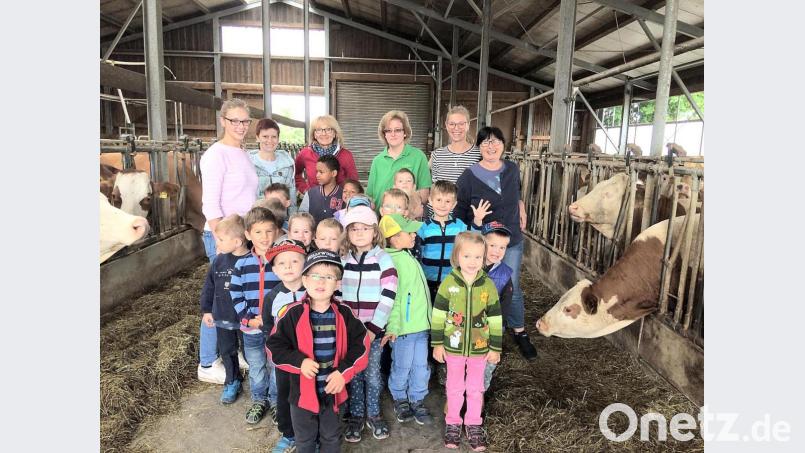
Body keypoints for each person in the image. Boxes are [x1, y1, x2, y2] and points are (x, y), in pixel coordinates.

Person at [266, 250, 370, 453]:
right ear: (304, 279)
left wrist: (343, 372)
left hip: (333, 392)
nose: (320, 281)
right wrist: (299, 362)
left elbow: (362, 345)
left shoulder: (345, 314)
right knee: (304, 440)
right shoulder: (291, 313)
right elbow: (274, 346)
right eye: (314, 275)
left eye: (328, 276)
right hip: (301, 394)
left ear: (337, 283)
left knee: (331, 437)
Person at [454, 126, 533, 365]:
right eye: (485, 142)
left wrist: (520, 205)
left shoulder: (511, 169)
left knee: (512, 285)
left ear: (503, 145)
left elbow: (515, 193)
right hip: (483, 243)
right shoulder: (468, 176)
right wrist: (474, 222)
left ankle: (519, 331)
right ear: (478, 147)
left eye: (496, 141)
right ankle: (480, 332)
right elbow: (459, 211)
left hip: (511, 241)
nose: (491, 146)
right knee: (480, 287)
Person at [198, 98, 259, 383]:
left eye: (245, 121)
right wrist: (224, 244)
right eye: (234, 120)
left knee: (240, 294)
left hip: (240, 239)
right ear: (222, 120)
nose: (240, 126)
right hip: (223, 238)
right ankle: (207, 363)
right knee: (220, 299)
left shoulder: (242, 152)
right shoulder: (216, 154)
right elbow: (210, 204)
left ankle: (233, 352)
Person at [431, 232, 502, 452]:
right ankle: (453, 422)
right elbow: (438, 315)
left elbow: (495, 317)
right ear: (457, 257)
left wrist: (495, 347)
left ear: (484, 258)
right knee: (454, 386)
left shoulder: (487, 285)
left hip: (480, 348)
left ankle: (473, 424)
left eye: (478, 257)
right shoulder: (448, 283)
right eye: (467, 256)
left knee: (475, 387)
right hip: (453, 347)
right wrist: (437, 343)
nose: (472, 262)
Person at [338, 205, 398, 443]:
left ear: (375, 232)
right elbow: (339, 294)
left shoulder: (384, 259)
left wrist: (374, 328)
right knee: (353, 374)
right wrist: (347, 326)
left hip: (372, 332)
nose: (359, 233)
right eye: (354, 229)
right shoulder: (343, 261)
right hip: (350, 333)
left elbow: (389, 294)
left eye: (365, 228)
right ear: (348, 233)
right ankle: (356, 415)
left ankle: (373, 413)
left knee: (372, 374)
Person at [378, 214, 434, 426]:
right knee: (402, 365)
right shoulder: (392, 262)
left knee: (421, 365)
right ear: (393, 238)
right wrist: (393, 327)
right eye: (408, 232)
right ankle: (400, 397)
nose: (414, 235)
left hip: (421, 326)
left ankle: (417, 398)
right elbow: (394, 299)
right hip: (403, 328)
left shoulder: (407, 255)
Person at [231, 207, 282, 425]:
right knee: (257, 366)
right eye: (258, 232)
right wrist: (248, 319)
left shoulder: (282, 262)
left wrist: (277, 320)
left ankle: (277, 401)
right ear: (248, 234)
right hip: (251, 329)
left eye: (269, 231)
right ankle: (259, 400)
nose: (264, 237)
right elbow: (235, 294)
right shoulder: (242, 265)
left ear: (277, 232)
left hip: (277, 329)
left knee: (277, 365)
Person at [262, 239, 308, 453]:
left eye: (294, 261)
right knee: (285, 395)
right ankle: (288, 434)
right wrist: (275, 354)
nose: (288, 267)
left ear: (305, 262)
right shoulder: (272, 297)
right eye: (282, 263)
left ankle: (310, 436)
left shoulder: (312, 291)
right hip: (285, 360)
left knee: (311, 395)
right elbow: (268, 328)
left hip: (311, 357)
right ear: (274, 269)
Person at [200, 214, 251, 401]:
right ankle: (232, 380)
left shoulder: (251, 261)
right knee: (227, 351)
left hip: (246, 319)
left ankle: (258, 382)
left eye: (221, 239)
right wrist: (207, 310)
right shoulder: (219, 261)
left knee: (250, 351)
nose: (216, 243)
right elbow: (209, 286)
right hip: (222, 316)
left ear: (237, 241)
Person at [481, 221, 537, 361]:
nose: (497, 251)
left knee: (488, 358)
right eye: (492, 245)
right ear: (482, 244)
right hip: (469, 321)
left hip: (492, 323)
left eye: (502, 247)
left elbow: (506, 302)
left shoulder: (504, 275)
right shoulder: (471, 267)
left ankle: (484, 379)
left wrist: (499, 324)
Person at [366, 110, 432, 209]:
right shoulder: (377, 161)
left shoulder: (418, 157)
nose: (393, 134)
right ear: (384, 134)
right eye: (388, 130)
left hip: (408, 219)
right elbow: (370, 197)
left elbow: (424, 196)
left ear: (405, 132)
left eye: (397, 130)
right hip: (382, 220)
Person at [418, 180, 469, 303]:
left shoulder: (460, 226)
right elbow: (418, 253)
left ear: (454, 204)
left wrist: (477, 221)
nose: (443, 205)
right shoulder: (423, 227)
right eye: (439, 200)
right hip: (428, 279)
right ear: (430, 201)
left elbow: (472, 242)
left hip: (452, 279)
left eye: (447, 201)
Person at [428, 105, 481, 217]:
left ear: (468, 125)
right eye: (452, 124)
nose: (456, 128)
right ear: (446, 126)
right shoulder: (437, 155)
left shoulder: (479, 154)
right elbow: (433, 188)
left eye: (461, 124)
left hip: (467, 218)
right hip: (440, 219)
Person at [294, 115, 358, 195]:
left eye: (328, 129)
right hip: (314, 202)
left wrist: (346, 195)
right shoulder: (305, 153)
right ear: (314, 134)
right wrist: (305, 190)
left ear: (335, 133)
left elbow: (353, 181)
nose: (324, 133)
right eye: (319, 130)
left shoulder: (346, 155)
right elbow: (296, 174)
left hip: (339, 203)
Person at [250, 118, 297, 212]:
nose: (270, 140)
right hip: (258, 218)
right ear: (257, 138)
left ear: (278, 139)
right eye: (265, 136)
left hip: (281, 218)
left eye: (274, 137)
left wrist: (292, 219)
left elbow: (291, 195)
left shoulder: (287, 165)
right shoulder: (248, 164)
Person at [298, 155, 344, 225]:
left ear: (334, 173)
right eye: (317, 171)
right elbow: (302, 217)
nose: (317, 175)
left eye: (321, 172)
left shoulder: (344, 195)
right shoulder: (310, 194)